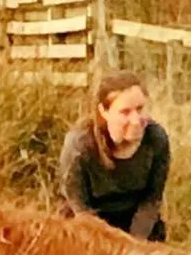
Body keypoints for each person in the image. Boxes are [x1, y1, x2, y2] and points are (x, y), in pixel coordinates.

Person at [58, 70, 171, 242]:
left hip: (139, 228)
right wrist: (113, 249)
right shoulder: (79, 146)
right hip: (88, 230)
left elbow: (151, 201)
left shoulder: (156, 139)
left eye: (140, 109)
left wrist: (135, 244)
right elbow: (80, 210)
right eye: (125, 112)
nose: (136, 120)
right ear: (104, 111)